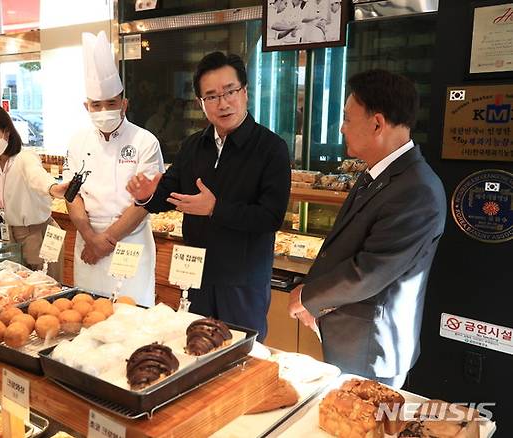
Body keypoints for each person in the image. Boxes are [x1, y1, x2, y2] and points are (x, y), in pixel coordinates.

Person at [288, 69, 446, 389]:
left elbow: (370, 272)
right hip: (349, 336)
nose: (342, 127)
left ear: (377, 123)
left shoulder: (417, 189)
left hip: (371, 347)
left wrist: (309, 297)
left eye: (347, 118)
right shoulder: (377, 172)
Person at [126, 52, 291, 341]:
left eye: (230, 91)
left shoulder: (271, 148)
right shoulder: (194, 146)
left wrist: (216, 208)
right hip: (195, 275)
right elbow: (167, 196)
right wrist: (146, 197)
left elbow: (270, 217)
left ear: (245, 92)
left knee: (241, 357)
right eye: (211, 96)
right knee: (194, 350)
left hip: (242, 283)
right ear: (201, 103)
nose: (223, 103)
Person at [65, 31, 164, 307]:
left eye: (111, 103)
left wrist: (106, 240)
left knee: (131, 314)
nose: (104, 109)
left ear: (124, 104)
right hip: (88, 240)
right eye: (97, 105)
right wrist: (90, 238)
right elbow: (72, 195)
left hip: (129, 240)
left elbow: (145, 201)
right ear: (87, 106)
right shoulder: (76, 142)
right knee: (86, 312)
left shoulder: (145, 141)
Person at [0, 103, 69, 281]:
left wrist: (53, 188)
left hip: (39, 233)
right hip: (11, 234)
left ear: (7, 131)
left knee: (46, 291)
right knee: (17, 290)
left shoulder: (25, 157)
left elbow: (37, 177)